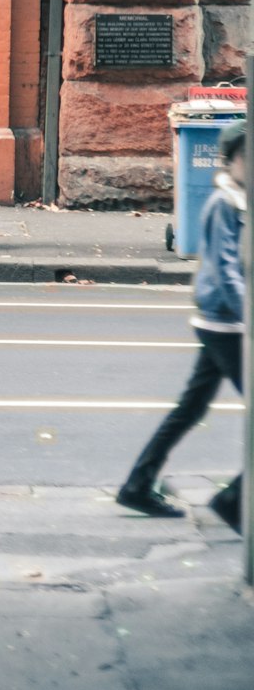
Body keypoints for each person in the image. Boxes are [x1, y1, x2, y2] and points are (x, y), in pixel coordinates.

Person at [117, 118, 246, 526]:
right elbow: (226, 269)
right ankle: (234, 501)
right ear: (231, 161)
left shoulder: (241, 198)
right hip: (225, 324)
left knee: (189, 408)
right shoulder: (224, 203)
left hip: (222, 323)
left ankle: (137, 485)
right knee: (191, 408)